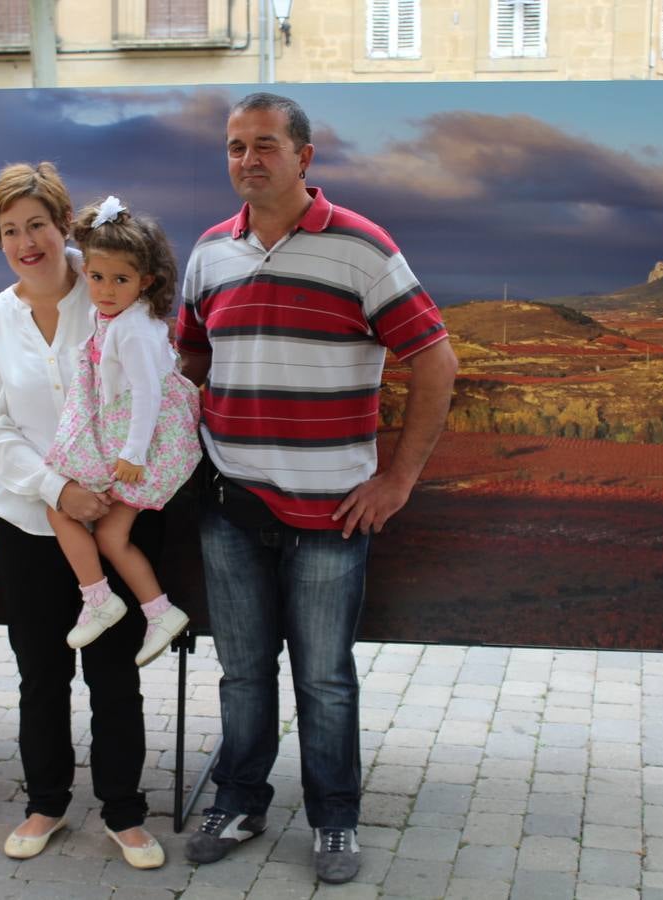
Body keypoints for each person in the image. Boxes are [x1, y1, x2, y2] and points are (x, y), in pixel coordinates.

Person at [175, 92, 458, 885]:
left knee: (325, 679)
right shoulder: (208, 255)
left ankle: (335, 819)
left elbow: (436, 362)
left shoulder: (362, 249)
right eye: (235, 147)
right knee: (240, 670)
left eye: (264, 145)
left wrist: (397, 480)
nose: (247, 160)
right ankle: (239, 800)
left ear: (305, 156)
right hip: (232, 505)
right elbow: (189, 362)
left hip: (332, 513)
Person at [0, 162, 164, 869]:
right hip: (27, 521)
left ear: (62, 225)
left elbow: (148, 388)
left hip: (110, 514)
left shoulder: (111, 293)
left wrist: (101, 490)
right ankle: (46, 801)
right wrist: (56, 489)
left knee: (114, 674)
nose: (27, 241)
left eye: (37, 225)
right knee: (41, 673)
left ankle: (126, 813)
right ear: (0, 242)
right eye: (10, 231)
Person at [45, 195, 200, 666]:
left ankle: (99, 598)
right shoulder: (110, 316)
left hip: (143, 447)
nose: (106, 289)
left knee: (57, 504)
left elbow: (148, 394)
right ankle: (160, 611)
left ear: (145, 281)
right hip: (129, 439)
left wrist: (133, 454)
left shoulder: (132, 329)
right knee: (111, 537)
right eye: (96, 277)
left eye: (120, 279)